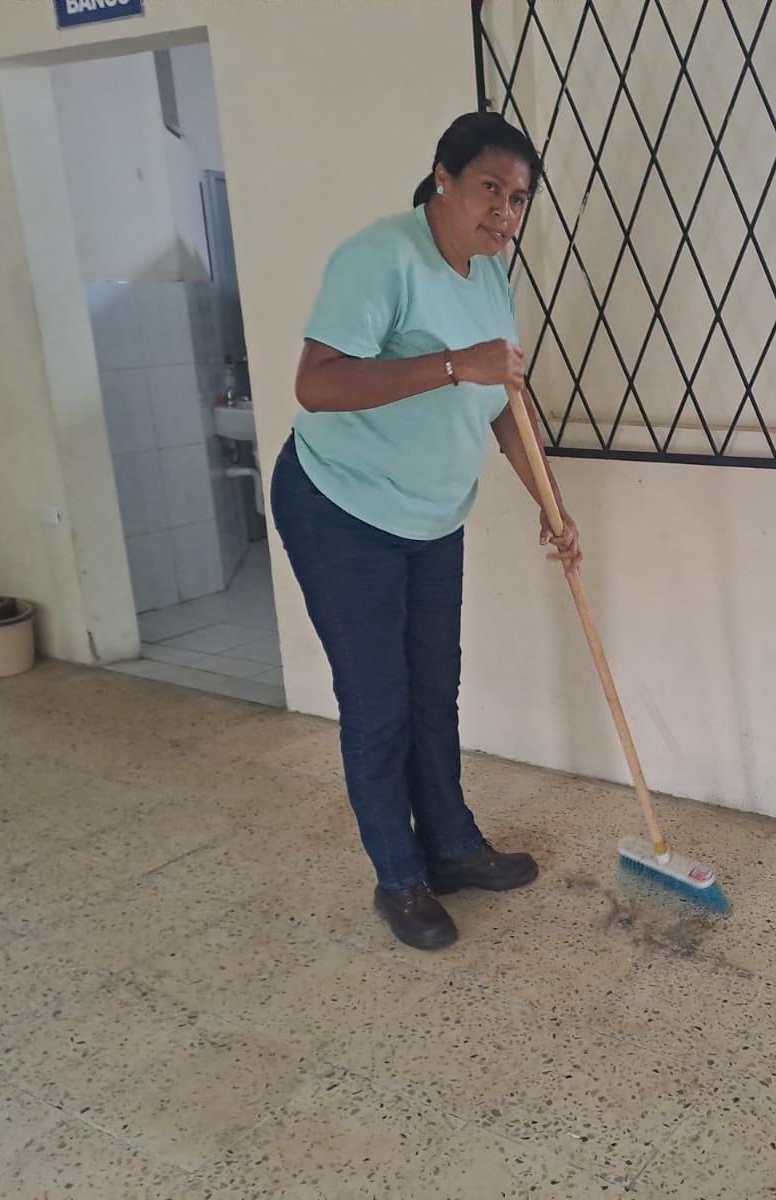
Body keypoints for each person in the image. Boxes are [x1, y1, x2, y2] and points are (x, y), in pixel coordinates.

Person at [271, 111, 580, 952]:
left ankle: (451, 846)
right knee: (379, 704)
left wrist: (552, 503)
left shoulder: (491, 276)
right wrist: (452, 365)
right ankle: (399, 878)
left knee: (433, 692)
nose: (504, 213)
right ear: (443, 177)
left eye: (518, 199)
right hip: (340, 509)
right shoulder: (381, 257)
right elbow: (317, 383)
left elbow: (506, 402)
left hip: (433, 517)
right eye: (490, 189)